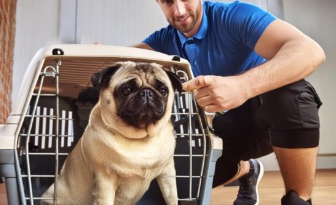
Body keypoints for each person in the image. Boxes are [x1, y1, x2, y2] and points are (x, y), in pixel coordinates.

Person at [133, 0, 325, 205]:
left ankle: (300, 199)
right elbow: (121, 60)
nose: (178, 11)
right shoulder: (163, 40)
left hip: (271, 118)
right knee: (175, 190)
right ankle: (248, 170)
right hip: (223, 128)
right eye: (168, 2)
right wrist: (97, 54)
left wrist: (242, 86)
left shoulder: (235, 16)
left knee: (291, 92)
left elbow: (310, 51)